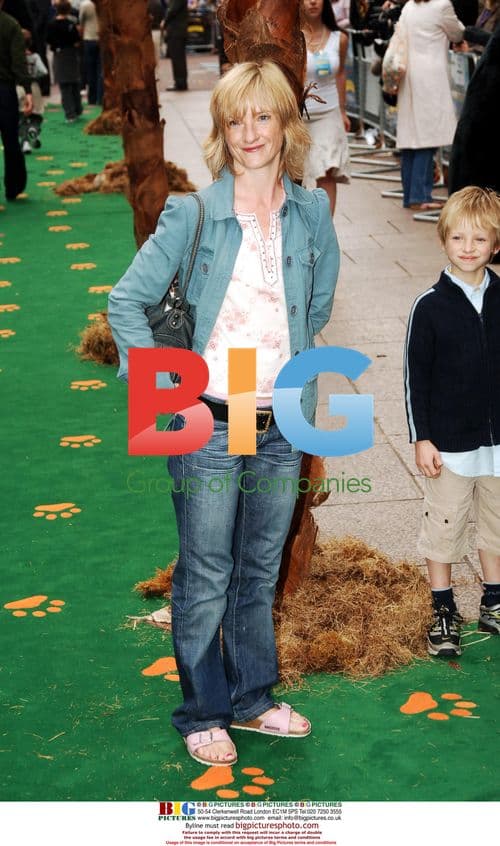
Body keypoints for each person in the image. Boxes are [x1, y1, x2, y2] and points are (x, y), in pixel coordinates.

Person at [108, 60, 339, 766]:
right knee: (206, 568)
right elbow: (127, 301)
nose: (249, 131)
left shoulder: (311, 214)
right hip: (209, 411)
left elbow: (319, 301)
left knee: (258, 566)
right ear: (221, 131)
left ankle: (252, 699)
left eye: (262, 116)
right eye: (235, 119)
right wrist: (166, 392)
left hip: (277, 417)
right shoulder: (193, 213)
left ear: (285, 126)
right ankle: (202, 708)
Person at [404, 186, 500, 658]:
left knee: (496, 524)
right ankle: (443, 608)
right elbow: (414, 379)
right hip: (450, 444)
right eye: (458, 238)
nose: (468, 248)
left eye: (479, 239)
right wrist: (422, 437)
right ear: (443, 239)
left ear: (495, 245)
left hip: (497, 445)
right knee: (444, 526)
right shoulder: (430, 306)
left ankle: (494, 600)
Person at [396, 0, 464, 211]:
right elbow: (457, 32)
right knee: (428, 137)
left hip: (407, 75)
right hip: (431, 77)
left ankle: (410, 194)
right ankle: (420, 195)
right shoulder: (442, 6)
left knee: (410, 139)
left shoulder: (408, 7)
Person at [302, 0, 351, 216]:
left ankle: (326, 230)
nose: (312, 2)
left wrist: (342, 110)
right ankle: (301, 227)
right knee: (299, 174)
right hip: (299, 115)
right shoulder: (291, 37)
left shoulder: (339, 38)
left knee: (327, 169)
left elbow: (340, 74)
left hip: (329, 113)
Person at [0, 0, 33, 200]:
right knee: (10, 139)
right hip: (5, 90)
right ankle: (13, 186)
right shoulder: (11, 25)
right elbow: (18, 61)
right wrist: (27, 90)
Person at [47, 0, 82, 123]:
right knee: (75, 83)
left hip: (59, 55)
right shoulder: (71, 24)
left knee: (64, 85)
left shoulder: (51, 24)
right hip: (71, 54)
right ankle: (78, 109)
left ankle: (69, 113)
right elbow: (77, 40)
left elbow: (49, 40)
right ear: (68, 10)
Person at [18, 30, 47, 153]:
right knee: (37, 114)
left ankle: (25, 143)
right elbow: (44, 71)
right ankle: (34, 129)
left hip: (18, 88)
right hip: (34, 88)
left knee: (21, 117)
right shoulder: (34, 57)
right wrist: (34, 77)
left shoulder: (14, 57)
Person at [79, 0, 102, 106]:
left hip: (89, 39)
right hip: (101, 39)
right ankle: (100, 98)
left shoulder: (85, 5)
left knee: (90, 70)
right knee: (100, 71)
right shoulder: (104, 4)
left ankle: (91, 99)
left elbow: (81, 22)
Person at [162, 0, 188, 91]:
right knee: (178, 58)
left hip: (176, 31)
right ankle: (180, 82)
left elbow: (172, 10)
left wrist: (164, 21)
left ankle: (180, 83)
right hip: (177, 31)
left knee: (177, 58)